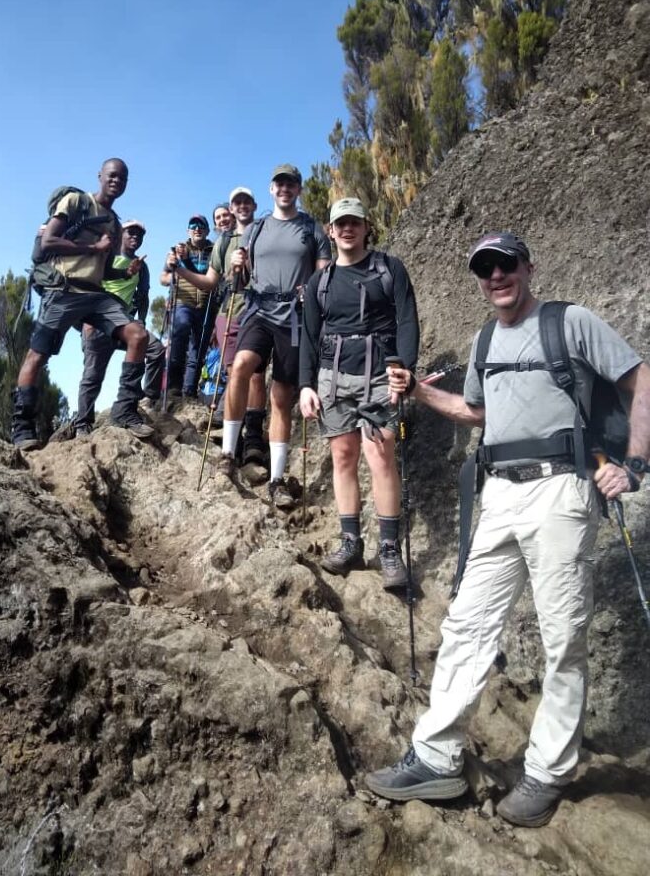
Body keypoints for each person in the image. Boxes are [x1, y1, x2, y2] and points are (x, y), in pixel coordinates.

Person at [365, 231, 650, 828]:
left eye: (505, 264)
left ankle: (547, 772)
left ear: (527, 266)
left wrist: (634, 464)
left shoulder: (570, 321)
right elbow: (477, 412)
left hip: (560, 491)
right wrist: (418, 391)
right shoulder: (484, 339)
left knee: (562, 636)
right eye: (484, 268)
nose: (495, 276)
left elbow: (639, 380)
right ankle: (437, 755)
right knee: (467, 622)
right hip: (498, 492)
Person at [299, 198, 419, 586]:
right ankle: (350, 542)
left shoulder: (389, 268)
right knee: (343, 455)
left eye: (354, 222)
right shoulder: (320, 282)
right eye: (339, 224)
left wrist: (404, 367)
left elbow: (406, 319)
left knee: (381, 456)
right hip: (333, 379)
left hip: (381, 376)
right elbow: (308, 337)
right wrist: (305, 384)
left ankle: (388, 550)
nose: (347, 229)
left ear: (367, 227)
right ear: (330, 232)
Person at [12, 158, 152, 449]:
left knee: (138, 335)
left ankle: (125, 410)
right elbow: (49, 242)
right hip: (64, 289)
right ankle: (22, 428)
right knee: (37, 356)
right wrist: (93, 248)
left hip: (96, 294)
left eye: (123, 178)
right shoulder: (76, 202)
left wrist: (125, 271)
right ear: (100, 175)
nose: (117, 181)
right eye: (112, 175)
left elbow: (104, 266)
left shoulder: (114, 222)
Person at [220, 164, 332, 507]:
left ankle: (278, 479)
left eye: (291, 184)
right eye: (279, 183)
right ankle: (227, 454)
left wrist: (310, 295)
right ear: (271, 189)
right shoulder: (257, 228)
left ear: (298, 189)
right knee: (240, 367)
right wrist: (238, 264)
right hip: (258, 310)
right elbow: (241, 279)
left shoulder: (312, 229)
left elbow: (323, 274)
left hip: (293, 318)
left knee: (282, 397)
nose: (285, 189)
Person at [167, 186, 268, 465]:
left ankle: (253, 438)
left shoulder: (265, 233)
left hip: (259, 310)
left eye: (247, 201)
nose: (242, 206)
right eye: (237, 202)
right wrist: (181, 271)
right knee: (233, 371)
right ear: (232, 209)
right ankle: (235, 443)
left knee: (255, 375)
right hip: (229, 311)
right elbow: (210, 281)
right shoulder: (223, 243)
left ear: (254, 205)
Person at [74, 220, 165, 436]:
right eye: (130, 232)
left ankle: (146, 400)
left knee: (156, 350)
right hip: (97, 321)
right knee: (93, 374)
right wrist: (85, 321)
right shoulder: (106, 257)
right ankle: (82, 424)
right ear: (120, 235)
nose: (135, 237)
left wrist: (141, 320)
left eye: (139, 235)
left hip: (124, 323)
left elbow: (142, 296)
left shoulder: (142, 267)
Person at [160, 215, 216, 400]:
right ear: (188, 231)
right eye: (192, 225)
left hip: (206, 304)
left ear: (208, 230)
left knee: (198, 349)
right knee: (180, 331)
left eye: (201, 225)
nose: (197, 228)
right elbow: (163, 278)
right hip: (183, 301)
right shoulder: (177, 250)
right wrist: (174, 273)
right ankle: (173, 387)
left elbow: (212, 277)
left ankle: (189, 390)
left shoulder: (214, 250)